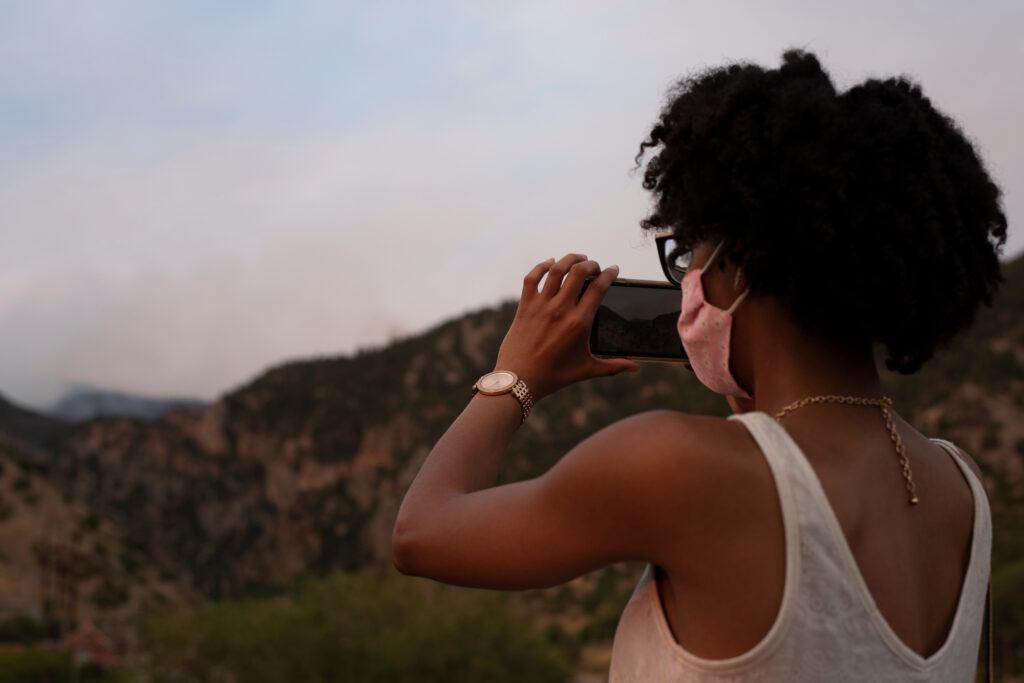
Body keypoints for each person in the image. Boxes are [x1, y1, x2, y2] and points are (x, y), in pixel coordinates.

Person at [392, 48, 1006, 681]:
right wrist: (754, 381)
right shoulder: (960, 486)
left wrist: (515, 378)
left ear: (738, 261)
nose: (686, 280)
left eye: (688, 254)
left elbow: (420, 533)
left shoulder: (677, 465)